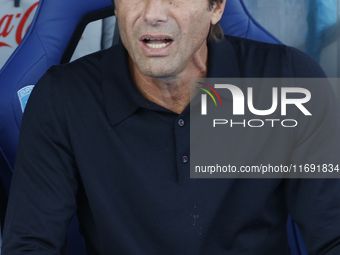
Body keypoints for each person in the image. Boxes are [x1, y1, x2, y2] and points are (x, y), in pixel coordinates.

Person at [2, 0, 340, 254]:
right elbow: (31, 244)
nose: (153, 13)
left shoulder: (285, 79)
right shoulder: (63, 97)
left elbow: (332, 233)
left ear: (217, 7)